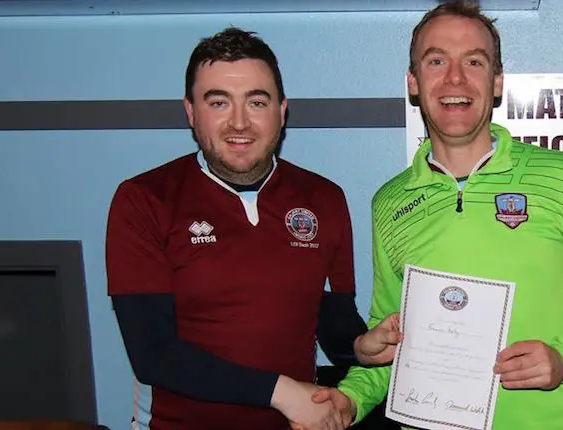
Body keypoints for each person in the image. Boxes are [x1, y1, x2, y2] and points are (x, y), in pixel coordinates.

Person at [311, 1, 563, 428]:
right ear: (413, 83)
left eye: (473, 61)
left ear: (496, 83)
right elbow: (392, 345)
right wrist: (349, 400)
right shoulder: (390, 201)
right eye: (436, 60)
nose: (455, 78)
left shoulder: (560, 176)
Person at [105, 27, 372, 430]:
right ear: (191, 112)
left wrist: (361, 347)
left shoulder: (324, 198)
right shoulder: (144, 199)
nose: (239, 123)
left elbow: (334, 321)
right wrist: (280, 391)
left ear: (282, 111)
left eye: (257, 102)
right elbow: (153, 353)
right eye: (218, 102)